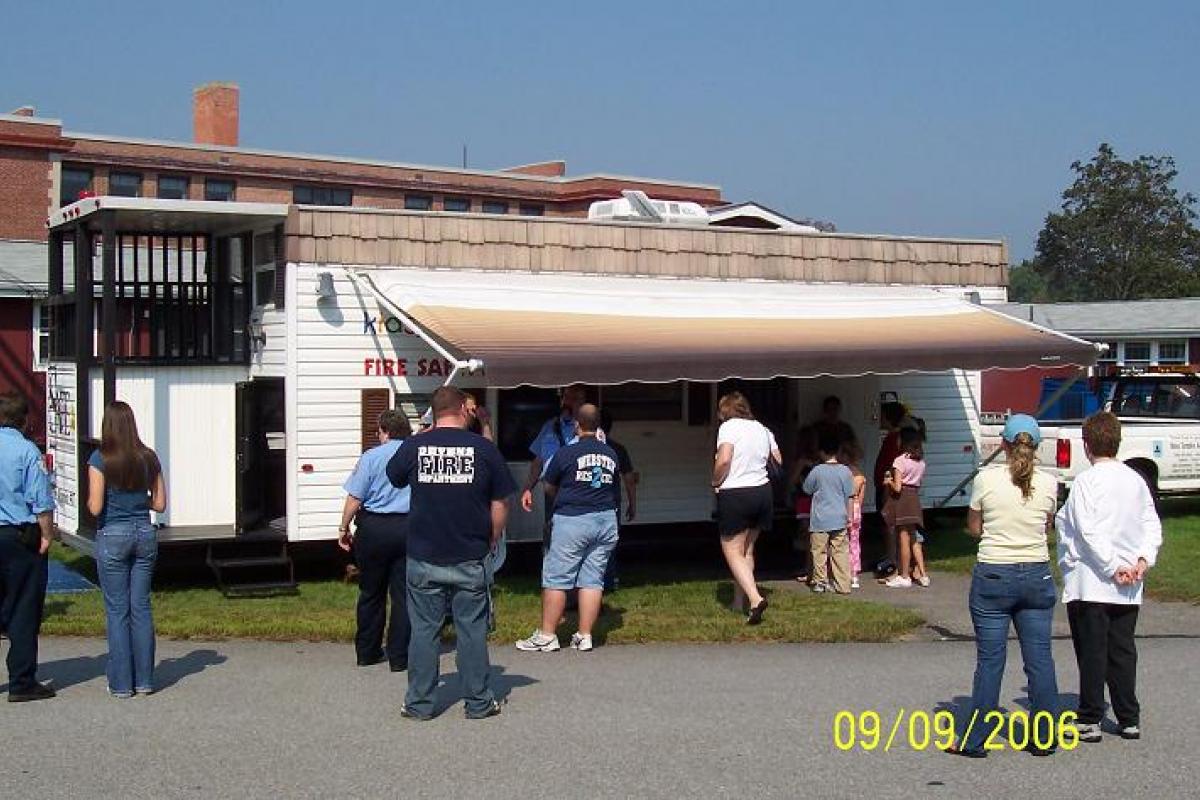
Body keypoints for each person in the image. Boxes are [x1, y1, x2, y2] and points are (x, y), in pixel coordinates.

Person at [386, 386, 516, 720]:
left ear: (433, 411)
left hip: (423, 554)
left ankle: (419, 703)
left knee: (425, 630)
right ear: (462, 408)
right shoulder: (483, 449)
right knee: (471, 630)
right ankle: (478, 702)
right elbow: (501, 501)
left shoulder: (415, 446)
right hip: (469, 553)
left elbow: (394, 476)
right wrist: (493, 535)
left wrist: (421, 436)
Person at [952, 414, 1060, 757]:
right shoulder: (1049, 483)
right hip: (1036, 572)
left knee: (990, 659)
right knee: (1040, 658)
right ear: (1037, 446)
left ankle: (975, 738)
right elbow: (1046, 527)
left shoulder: (987, 479)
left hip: (995, 572)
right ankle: (1045, 736)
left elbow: (973, 527)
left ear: (1003, 444)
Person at [1056, 411, 1162, 743]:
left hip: (1093, 581)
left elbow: (1087, 531)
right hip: (1129, 583)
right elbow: (1151, 524)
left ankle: (1090, 715)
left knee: (1092, 650)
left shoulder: (1087, 481)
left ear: (1086, 445)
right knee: (1122, 649)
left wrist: (1112, 566)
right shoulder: (1136, 480)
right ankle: (1129, 716)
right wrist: (1143, 559)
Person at [516, 404, 620, 653]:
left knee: (556, 578)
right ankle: (585, 635)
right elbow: (613, 485)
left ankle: (547, 635)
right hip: (605, 519)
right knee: (592, 580)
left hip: (573, 518)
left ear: (577, 425)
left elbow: (549, 484)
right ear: (599, 426)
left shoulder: (566, 453)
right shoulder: (611, 453)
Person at [87, 401, 167, 698]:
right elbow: (159, 504)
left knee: (117, 610)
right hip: (144, 533)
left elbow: (95, 507)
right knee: (141, 607)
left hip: (114, 533)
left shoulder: (100, 458)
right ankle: (145, 679)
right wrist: (138, 502)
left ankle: (122, 683)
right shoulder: (149, 457)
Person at [338, 409, 413, 671]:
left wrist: (343, 527)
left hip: (375, 528)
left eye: (379, 431)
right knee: (403, 594)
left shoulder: (371, 457)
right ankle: (399, 656)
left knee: (371, 592)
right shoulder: (416, 454)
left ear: (386, 431)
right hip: (408, 527)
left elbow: (355, 497)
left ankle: (367, 651)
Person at [0, 391, 56, 702]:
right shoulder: (27, 452)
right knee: (23, 606)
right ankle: (21, 682)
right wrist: (46, 535)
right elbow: (41, 501)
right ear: (24, 420)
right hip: (18, 535)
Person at [712, 391, 781, 625]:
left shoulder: (729, 427)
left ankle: (754, 598)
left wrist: (715, 481)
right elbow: (778, 460)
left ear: (725, 411)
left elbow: (724, 459)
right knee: (747, 552)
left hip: (736, 493)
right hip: (762, 492)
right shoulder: (762, 429)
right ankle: (739, 602)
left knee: (732, 551)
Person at [520, 384, 591, 522]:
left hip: (579, 494)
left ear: (583, 404)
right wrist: (528, 489)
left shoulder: (590, 430)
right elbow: (538, 462)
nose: (568, 402)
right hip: (553, 493)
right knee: (551, 534)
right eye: (566, 397)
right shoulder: (550, 427)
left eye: (574, 399)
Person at [803, 431, 856, 594]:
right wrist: (850, 516)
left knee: (819, 551)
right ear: (838, 451)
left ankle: (820, 582)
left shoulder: (817, 471)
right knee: (840, 552)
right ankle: (843, 584)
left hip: (820, 519)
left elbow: (807, 489)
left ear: (821, 452)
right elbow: (850, 496)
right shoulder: (846, 471)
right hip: (840, 517)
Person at [882, 427, 929, 588]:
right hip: (914, 498)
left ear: (902, 442)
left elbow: (897, 487)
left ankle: (904, 576)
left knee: (903, 537)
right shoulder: (921, 462)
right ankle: (923, 574)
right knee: (914, 538)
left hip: (902, 500)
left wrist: (888, 481)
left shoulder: (899, 461)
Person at [599, 408, 637, 591]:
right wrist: (632, 503)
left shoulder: (578, 449)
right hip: (611, 504)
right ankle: (609, 579)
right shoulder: (618, 449)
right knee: (610, 543)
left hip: (586, 504)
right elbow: (629, 479)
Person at [872, 401, 907, 576]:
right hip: (883, 485)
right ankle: (890, 555)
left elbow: (891, 466)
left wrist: (887, 488)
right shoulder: (891, 437)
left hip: (887, 487)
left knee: (889, 524)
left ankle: (892, 558)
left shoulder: (894, 439)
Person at [789, 425, 819, 583]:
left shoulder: (802, 461)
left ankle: (809, 569)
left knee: (808, 535)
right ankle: (814, 567)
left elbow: (793, 480)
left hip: (804, 498)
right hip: (819, 498)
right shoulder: (821, 460)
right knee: (817, 534)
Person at [838, 438, 868, 589]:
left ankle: (840, 572)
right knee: (854, 542)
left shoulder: (843, 474)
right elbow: (861, 500)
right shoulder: (861, 477)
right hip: (856, 510)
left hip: (843, 509)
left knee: (839, 541)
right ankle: (854, 574)